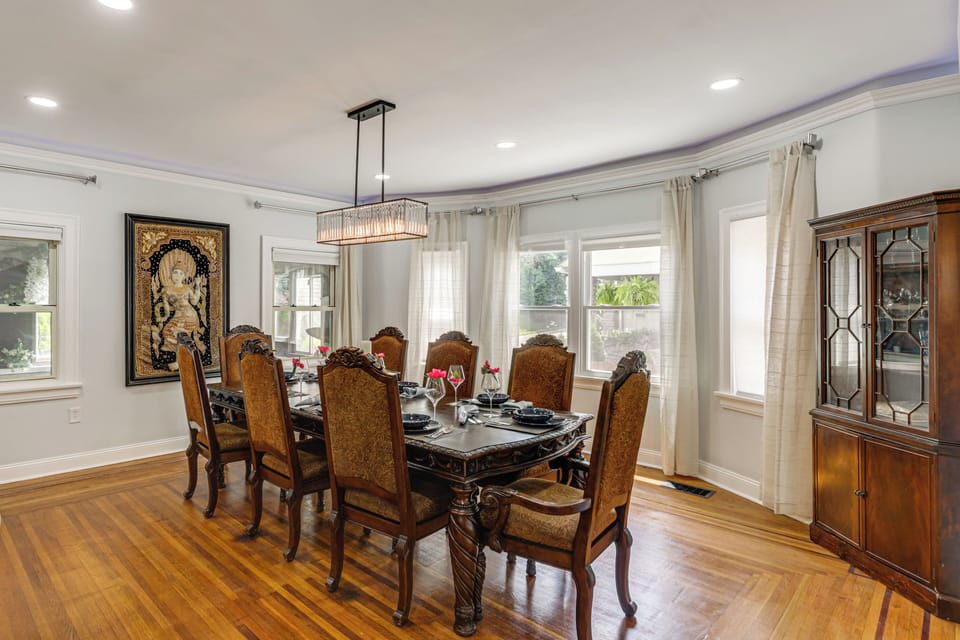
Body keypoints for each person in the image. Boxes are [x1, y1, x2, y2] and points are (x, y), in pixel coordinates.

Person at [151, 250, 206, 359]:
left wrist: (198, 286)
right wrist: (163, 318)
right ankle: (181, 360)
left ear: (184, 276)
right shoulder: (166, 290)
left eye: (181, 273)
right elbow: (166, 309)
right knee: (167, 332)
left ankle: (182, 359)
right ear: (170, 274)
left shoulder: (187, 288)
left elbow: (194, 301)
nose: (177, 275)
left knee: (178, 334)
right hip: (177, 316)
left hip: (190, 315)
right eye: (175, 272)